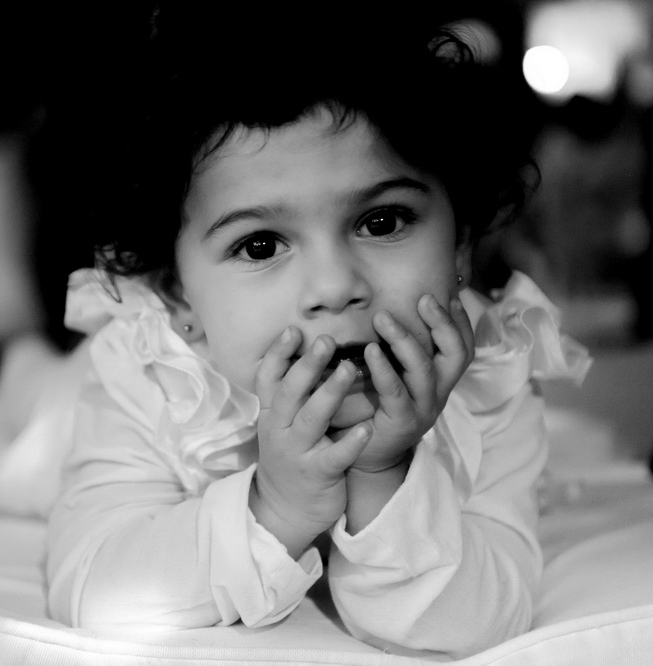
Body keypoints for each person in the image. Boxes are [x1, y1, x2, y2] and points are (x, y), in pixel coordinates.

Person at [44, 3, 590, 658]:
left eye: (382, 222)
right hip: (83, 407)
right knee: (36, 434)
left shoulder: (490, 374)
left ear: (462, 247)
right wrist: (274, 510)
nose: (335, 288)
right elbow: (96, 589)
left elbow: (484, 615)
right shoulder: (152, 371)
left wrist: (380, 474)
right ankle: (29, 370)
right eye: (261, 244)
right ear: (174, 291)